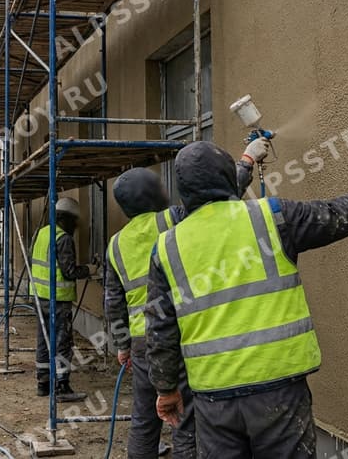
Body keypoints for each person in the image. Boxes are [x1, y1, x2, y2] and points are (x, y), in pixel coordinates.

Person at [146, 141, 348, 458]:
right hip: (279, 392)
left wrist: (166, 389)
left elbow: (160, 330)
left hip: (213, 400)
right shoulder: (272, 218)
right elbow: (337, 216)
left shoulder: (167, 247)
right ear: (228, 178)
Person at [104, 138, 269, 459]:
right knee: (184, 418)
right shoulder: (172, 219)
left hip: (141, 342)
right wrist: (247, 160)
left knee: (144, 417)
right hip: (177, 336)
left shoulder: (115, 244)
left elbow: (114, 301)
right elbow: (214, 200)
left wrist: (122, 345)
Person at [30, 196, 99, 401]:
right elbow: (69, 271)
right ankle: (61, 386)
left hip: (40, 296)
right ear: (66, 219)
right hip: (58, 300)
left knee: (44, 339)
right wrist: (90, 269)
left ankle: (43, 383)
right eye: (74, 221)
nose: (76, 226)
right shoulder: (63, 238)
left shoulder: (41, 233)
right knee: (62, 342)